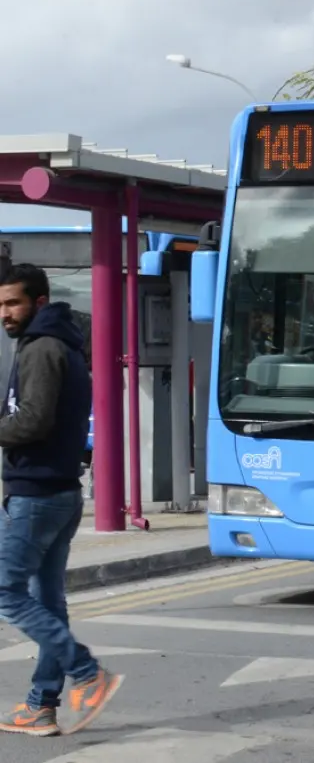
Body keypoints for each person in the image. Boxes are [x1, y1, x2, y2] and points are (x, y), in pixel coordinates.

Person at [0, 264, 123, 737]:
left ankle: (87, 673)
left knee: (7, 592)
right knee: (46, 601)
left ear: (40, 302)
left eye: (14, 303)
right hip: (57, 491)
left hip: (38, 495)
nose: (6, 313)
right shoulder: (57, 344)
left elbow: (33, 421)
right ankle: (41, 705)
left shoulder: (43, 347)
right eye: (2, 304)